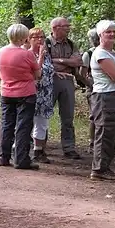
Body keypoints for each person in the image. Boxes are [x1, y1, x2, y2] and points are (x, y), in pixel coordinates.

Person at [89, 20, 115, 181]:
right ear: (100, 35)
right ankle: (99, 169)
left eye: (114, 31)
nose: (112, 34)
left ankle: (105, 166)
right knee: (106, 132)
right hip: (105, 96)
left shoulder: (113, 53)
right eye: (108, 32)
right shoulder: (100, 54)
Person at [0, 24, 41, 170]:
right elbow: (37, 74)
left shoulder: (1, 51)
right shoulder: (26, 54)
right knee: (23, 126)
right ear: (23, 37)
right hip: (25, 93)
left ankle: (3, 156)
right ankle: (21, 159)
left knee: (7, 124)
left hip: (6, 92)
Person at [47, 17, 82, 159]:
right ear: (55, 28)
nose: (69, 28)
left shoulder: (72, 44)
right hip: (49, 81)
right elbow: (45, 62)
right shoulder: (46, 43)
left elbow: (77, 61)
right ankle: (39, 146)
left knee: (68, 116)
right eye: (65, 26)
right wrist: (66, 63)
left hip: (67, 80)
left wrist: (58, 61)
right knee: (43, 115)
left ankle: (69, 147)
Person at [28, 27, 54, 164]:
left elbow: (49, 71)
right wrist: (41, 57)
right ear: (29, 39)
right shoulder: (27, 54)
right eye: (35, 37)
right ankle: (20, 147)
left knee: (42, 123)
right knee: (28, 121)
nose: (39, 40)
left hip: (46, 93)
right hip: (32, 92)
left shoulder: (47, 54)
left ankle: (38, 150)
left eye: (42, 37)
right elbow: (35, 74)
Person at [80, 28, 99, 153]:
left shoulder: (111, 52)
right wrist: (90, 85)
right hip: (93, 88)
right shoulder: (88, 54)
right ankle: (92, 142)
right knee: (94, 116)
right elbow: (82, 73)